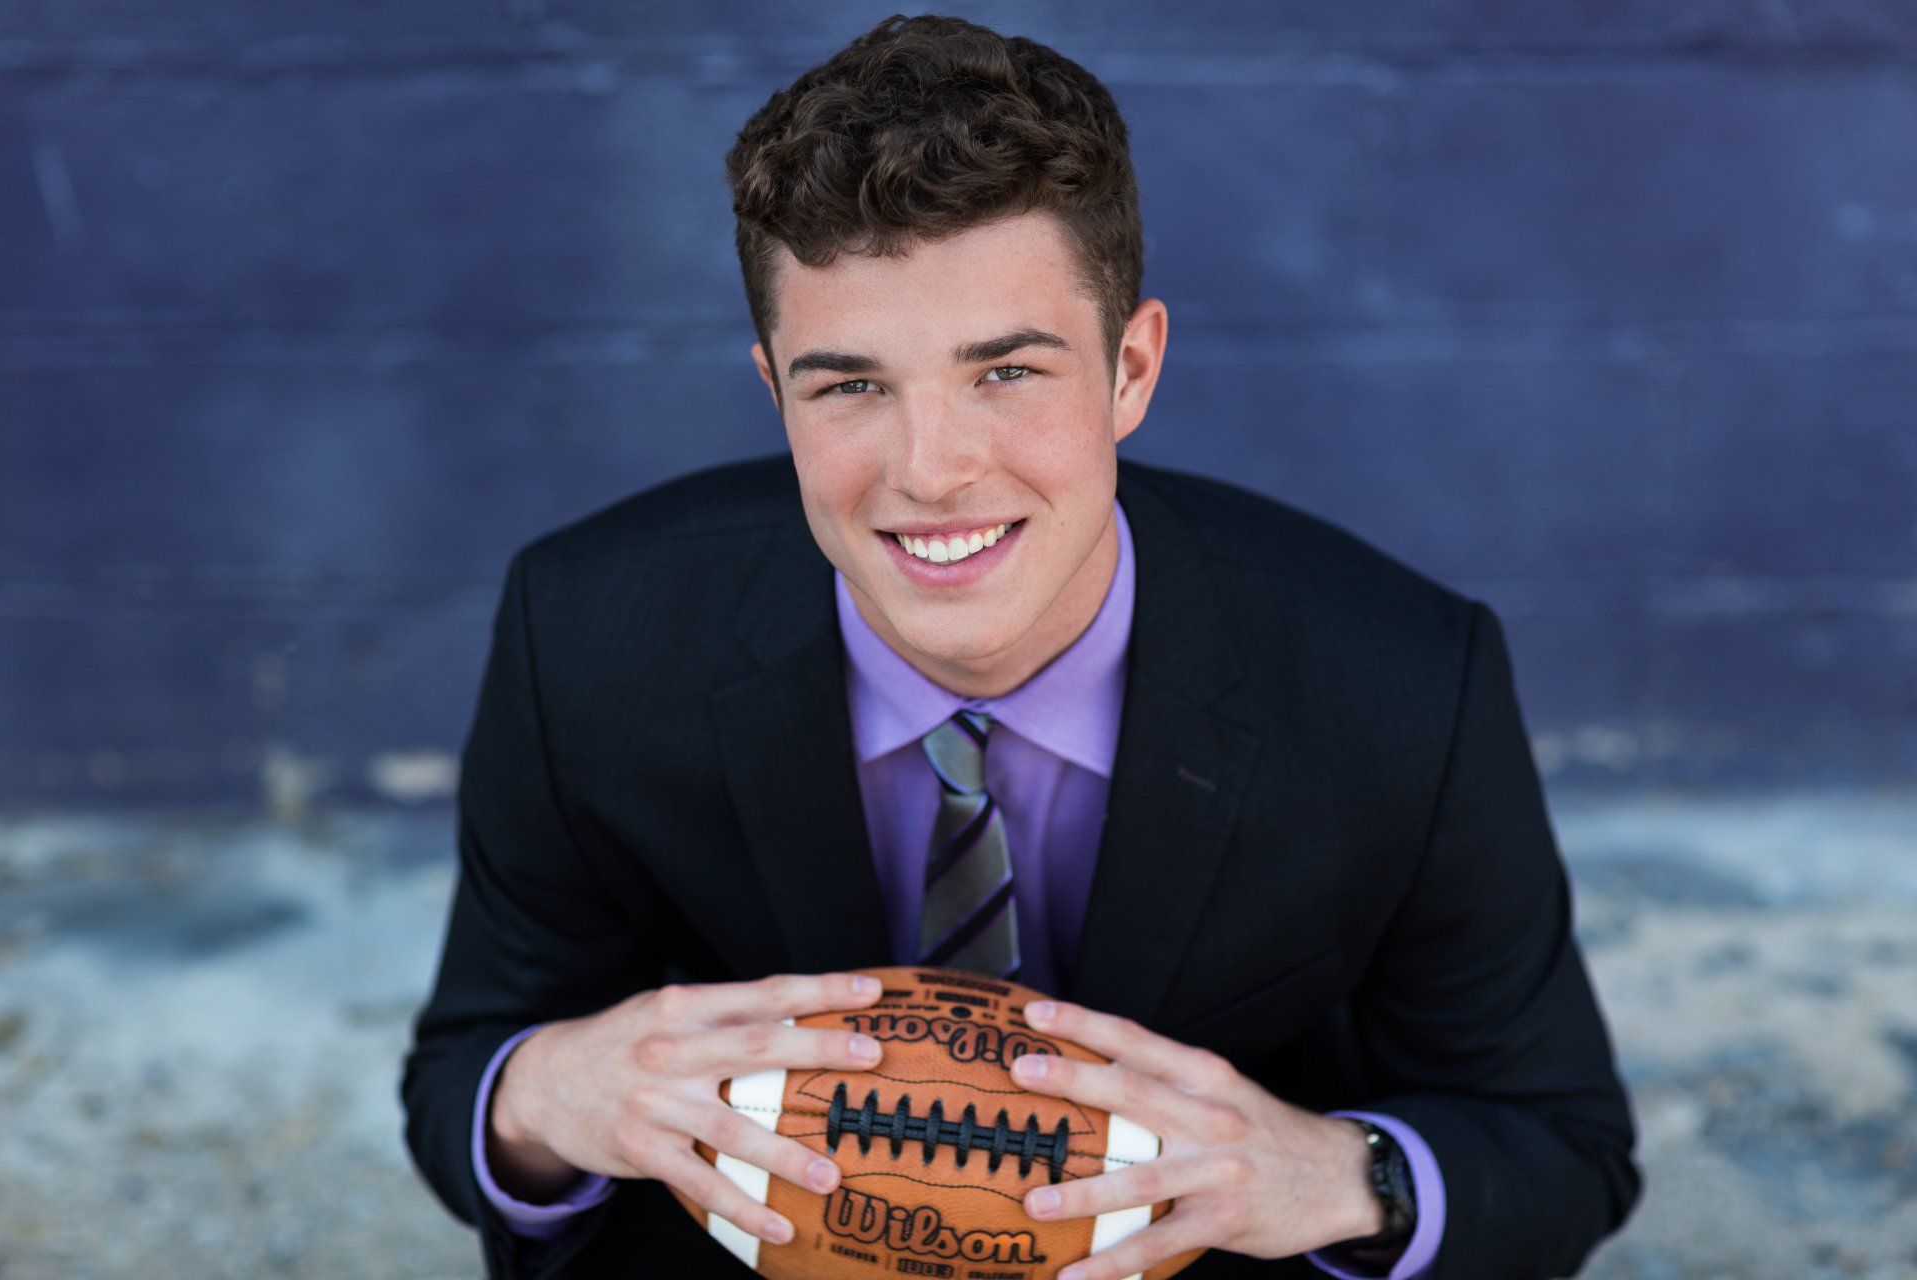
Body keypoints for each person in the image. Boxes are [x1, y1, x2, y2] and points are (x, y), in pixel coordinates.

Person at [399, 13, 1641, 1280]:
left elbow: (1559, 1143)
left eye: (1006, 372)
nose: (932, 469)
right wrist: (540, 1094)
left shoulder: (1402, 683)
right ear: (775, 391)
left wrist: (1343, 1171)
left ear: (1131, 369)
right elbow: (466, 1078)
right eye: (851, 385)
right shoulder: (587, 633)